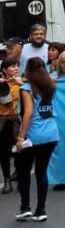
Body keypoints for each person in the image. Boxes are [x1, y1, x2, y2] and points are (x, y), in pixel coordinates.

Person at [14, 58, 59, 222]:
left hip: (34, 135)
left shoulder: (27, 88)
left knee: (24, 170)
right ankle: (41, 209)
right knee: (42, 171)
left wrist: (20, 137)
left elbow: (29, 113)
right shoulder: (51, 87)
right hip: (52, 133)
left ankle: (25, 207)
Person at [0, 57, 21, 194]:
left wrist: (21, 83)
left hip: (16, 120)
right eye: (12, 66)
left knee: (20, 148)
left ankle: (19, 173)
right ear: (4, 69)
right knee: (3, 152)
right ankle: (7, 179)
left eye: (17, 66)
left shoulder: (21, 82)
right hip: (2, 121)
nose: (16, 68)